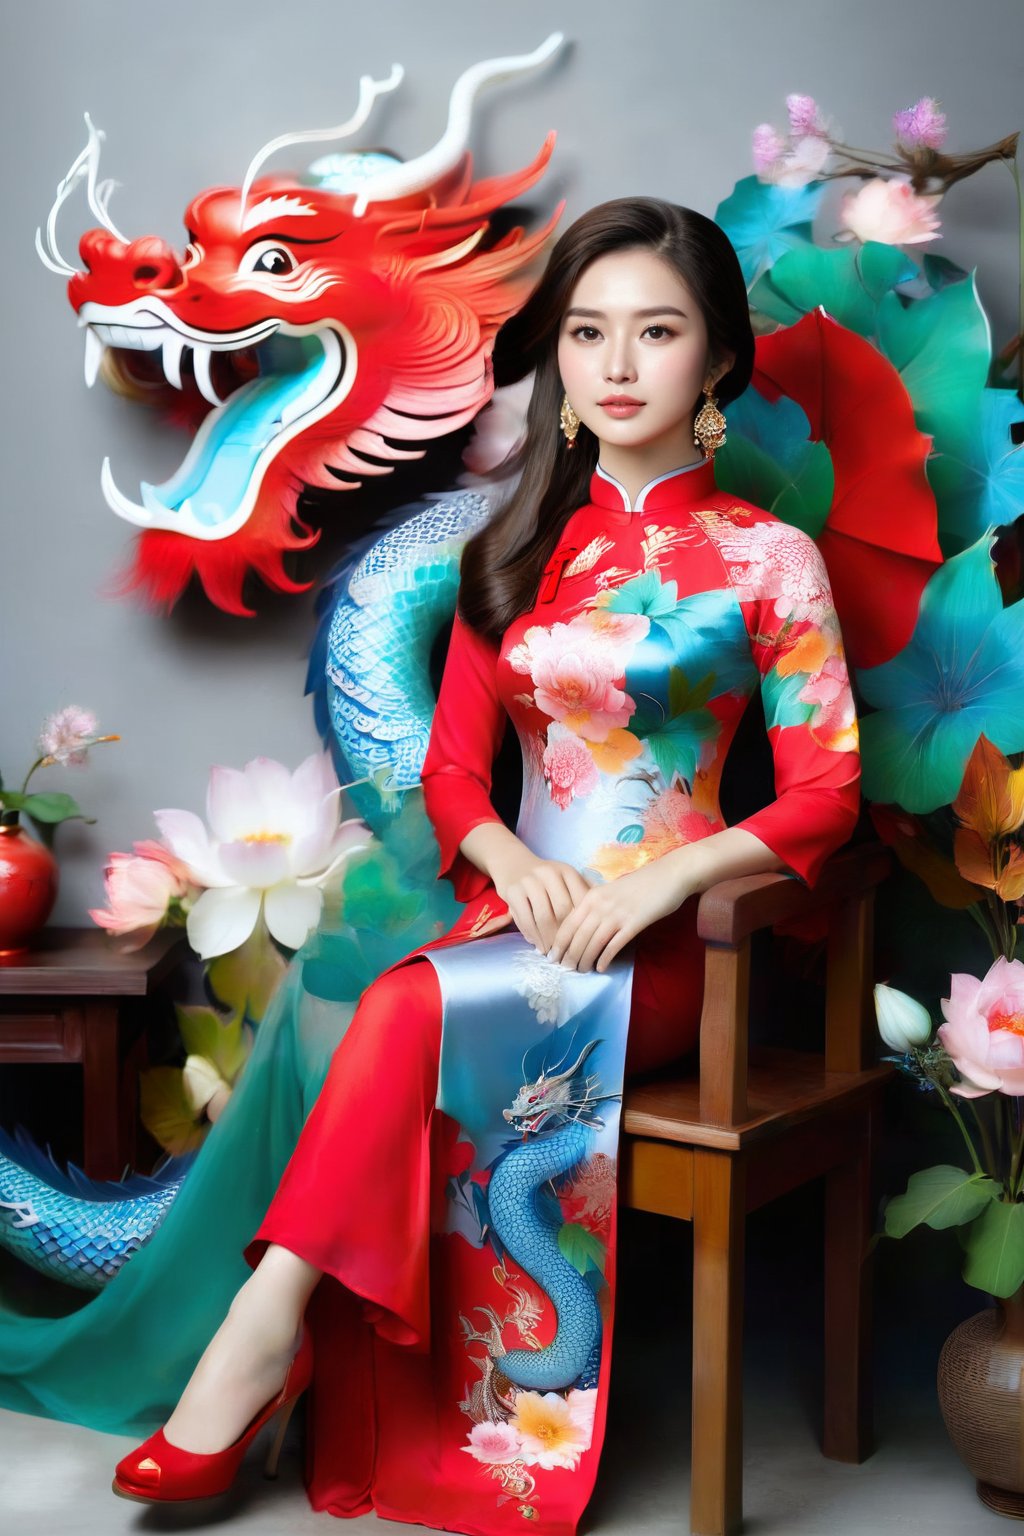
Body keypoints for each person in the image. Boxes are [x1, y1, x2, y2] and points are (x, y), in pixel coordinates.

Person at [111, 197, 862, 1532]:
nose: (618, 363)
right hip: (515, 914)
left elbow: (827, 793)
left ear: (718, 364)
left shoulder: (768, 559)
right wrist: (514, 865)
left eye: (658, 330)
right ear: (558, 360)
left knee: (400, 1007)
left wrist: (655, 884)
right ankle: (276, 1335)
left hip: (670, 947)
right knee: (405, 1000)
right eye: (587, 332)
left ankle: (261, 1328)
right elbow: (455, 773)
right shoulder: (518, 555)